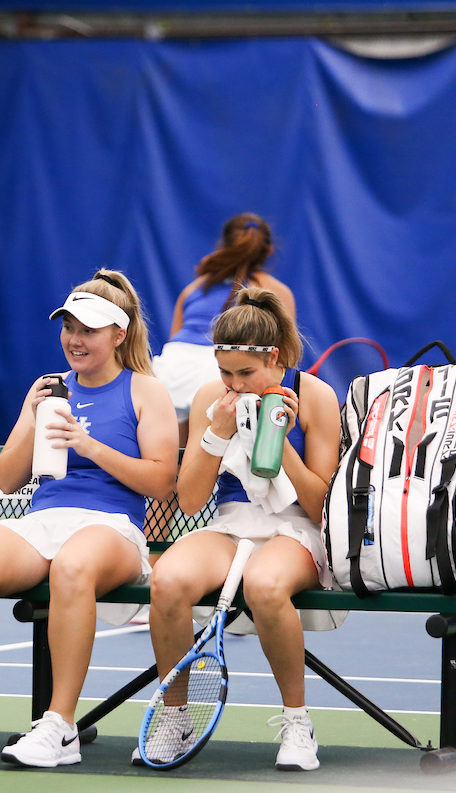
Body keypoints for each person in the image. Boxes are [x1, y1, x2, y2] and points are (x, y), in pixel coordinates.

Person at [0, 270, 179, 768]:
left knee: (72, 566)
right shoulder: (49, 387)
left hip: (114, 529)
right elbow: (5, 481)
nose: (74, 339)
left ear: (119, 334)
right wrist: (29, 412)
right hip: (45, 520)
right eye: (68, 326)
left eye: (88, 329)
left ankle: (60, 727)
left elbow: (160, 481)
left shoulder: (145, 390)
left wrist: (89, 446)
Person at [144, 288, 340, 772]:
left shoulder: (316, 397)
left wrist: (283, 440)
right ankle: (176, 717)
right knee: (167, 579)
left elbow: (322, 510)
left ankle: (297, 721)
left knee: (266, 584)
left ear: (274, 358)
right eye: (225, 373)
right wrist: (217, 433)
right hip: (231, 527)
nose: (234, 385)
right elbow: (189, 500)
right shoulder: (214, 399)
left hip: (296, 531)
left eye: (245, 374)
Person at [153, 213, 296, 447]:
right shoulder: (275, 291)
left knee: (178, 456)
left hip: (171, 370)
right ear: (268, 251)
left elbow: (174, 338)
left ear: (225, 245)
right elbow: (286, 352)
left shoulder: (194, 287)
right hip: (224, 367)